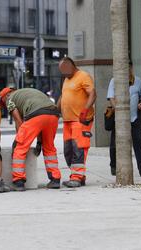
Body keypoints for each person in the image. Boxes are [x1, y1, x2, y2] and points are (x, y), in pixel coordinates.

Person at [0, 87, 61, 191]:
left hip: (36, 114)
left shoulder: (10, 99)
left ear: (6, 95)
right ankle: (55, 179)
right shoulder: (27, 92)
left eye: (3, 102)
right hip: (53, 114)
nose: (5, 105)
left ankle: (18, 181)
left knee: (20, 147)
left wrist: (18, 139)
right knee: (49, 147)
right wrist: (39, 141)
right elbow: (42, 118)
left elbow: (18, 121)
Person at [107, 62, 141, 177]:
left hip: (135, 118)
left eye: (128, 67)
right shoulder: (114, 81)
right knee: (114, 144)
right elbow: (111, 97)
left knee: (138, 143)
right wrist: (118, 109)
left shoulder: (137, 80)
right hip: (119, 119)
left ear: (131, 68)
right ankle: (113, 166)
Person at [57, 56, 96, 188]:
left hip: (81, 120)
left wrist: (85, 110)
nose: (63, 73)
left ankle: (77, 177)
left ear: (71, 66)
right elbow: (63, 97)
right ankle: (80, 175)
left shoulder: (83, 76)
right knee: (68, 151)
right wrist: (55, 110)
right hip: (67, 121)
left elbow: (92, 93)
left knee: (78, 149)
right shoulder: (66, 79)